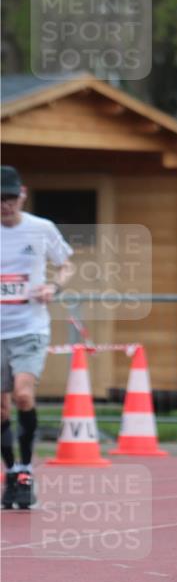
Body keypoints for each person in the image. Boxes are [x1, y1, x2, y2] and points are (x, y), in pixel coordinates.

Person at [1, 165, 74, 509]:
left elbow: (66, 264)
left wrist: (53, 287)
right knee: (0, 408)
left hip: (29, 328)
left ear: (23, 194)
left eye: (11, 198)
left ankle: (27, 468)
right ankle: (12, 474)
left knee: (23, 395)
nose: (6, 205)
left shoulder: (41, 229)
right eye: (0, 200)